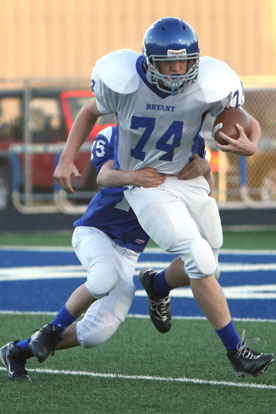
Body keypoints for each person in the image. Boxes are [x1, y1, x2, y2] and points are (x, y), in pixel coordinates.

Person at [49, 16, 274, 378]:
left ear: (194, 60)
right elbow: (90, 110)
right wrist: (65, 157)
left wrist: (251, 142)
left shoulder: (208, 83)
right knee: (198, 256)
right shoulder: (124, 81)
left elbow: (241, 116)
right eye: (168, 61)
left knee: (209, 262)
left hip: (187, 176)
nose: (175, 69)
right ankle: (237, 352)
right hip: (147, 182)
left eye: (183, 61)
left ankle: (157, 284)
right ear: (148, 60)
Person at [0, 125, 211, 382]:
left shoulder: (188, 142)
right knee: (103, 278)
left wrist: (206, 170)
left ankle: (16, 351)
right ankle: (52, 328)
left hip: (128, 249)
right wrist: (135, 177)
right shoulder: (117, 135)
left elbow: (203, 191)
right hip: (95, 232)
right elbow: (104, 176)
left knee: (94, 334)